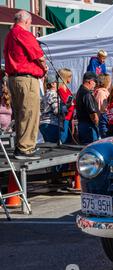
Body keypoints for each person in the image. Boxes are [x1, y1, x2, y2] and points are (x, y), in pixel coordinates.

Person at [4, 10, 48, 160]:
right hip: (26, 78)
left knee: (21, 113)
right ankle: (26, 148)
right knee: (30, 113)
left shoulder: (10, 35)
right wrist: (44, 67)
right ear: (27, 21)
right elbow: (38, 55)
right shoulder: (23, 33)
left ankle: (20, 146)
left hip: (14, 78)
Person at [76, 72, 100, 144]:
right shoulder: (86, 93)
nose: (95, 84)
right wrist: (96, 122)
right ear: (90, 81)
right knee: (91, 148)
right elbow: (92, 112)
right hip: (89, 126)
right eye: (95, 82)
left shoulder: (79, 91)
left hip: (82, 124)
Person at [39, 73, 62, 143]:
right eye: (57, 82)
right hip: (51, 124)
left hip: (43, 124)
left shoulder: (45, 95)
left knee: (47, 146)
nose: (59, 84)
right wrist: (65, 108)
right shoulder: (53, 94)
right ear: (52, 84)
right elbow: (56, 111)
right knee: (53, 148)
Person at [94, 73, 111, 138]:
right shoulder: (101, 93)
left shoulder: (103, 92)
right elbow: (100, 108)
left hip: (105, 118)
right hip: (103, 118)